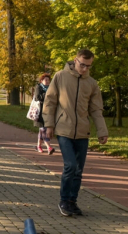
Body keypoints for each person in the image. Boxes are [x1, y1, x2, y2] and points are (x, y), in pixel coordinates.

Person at [42, 49, 109, 217]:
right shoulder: (60, 77)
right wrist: (49, 125)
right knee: (70, 165)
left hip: (82, 132)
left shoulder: (92, 83)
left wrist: (102, 131)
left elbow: (96, 109)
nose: (85, 69)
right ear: (75, 60)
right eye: (82, 65)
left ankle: (72, 202)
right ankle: (64, 200)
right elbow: (49, 102)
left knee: (78, 170)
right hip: (64, 129)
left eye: (88, 66)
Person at [33, 73, 55, 155]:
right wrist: (47, 95)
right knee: (43, 129)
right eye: (45, 80)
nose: (47, 81)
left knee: (42, 130)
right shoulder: (39, 87)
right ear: (41, 81)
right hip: (40, 112)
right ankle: (49, 147)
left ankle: (38, 146)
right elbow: (37, 97)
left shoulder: (51, 88)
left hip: (49, 112)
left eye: (48, 80)